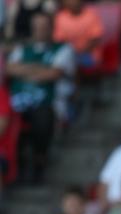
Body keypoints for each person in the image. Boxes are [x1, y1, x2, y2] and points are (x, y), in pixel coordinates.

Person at [7, 11, 75, 181]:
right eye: (36, 27)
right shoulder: (23, 48)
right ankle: (16, 164)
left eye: (44, 27)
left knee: (42, 118)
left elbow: (53, 74)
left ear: (51, 28)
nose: (40, 31)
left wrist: (25, 70)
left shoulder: (64, 49)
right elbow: (9, 69)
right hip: (19, 102)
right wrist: (39, 69)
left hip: (48, 104)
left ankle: (39, 161)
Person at [53, 0, 103, 69]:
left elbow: (95, 38)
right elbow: (60, 40)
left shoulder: (91, 15)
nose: (74, 2)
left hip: (89, 54)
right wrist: (70, 53)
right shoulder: (60, 17)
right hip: (68, 54)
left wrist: (80, 52)